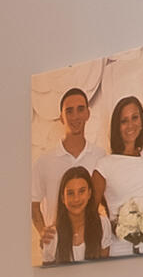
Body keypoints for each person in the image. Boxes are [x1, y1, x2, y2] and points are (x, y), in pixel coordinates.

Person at [30, 86, 101, 252]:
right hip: (57, 252)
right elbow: (33, 205)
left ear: (88, 114)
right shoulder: (44, 161)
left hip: (91, 248)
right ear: (61, 117)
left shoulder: (100, 156)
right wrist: (43, 232)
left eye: (80, 109)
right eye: (69, 111)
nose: (75, 116)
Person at [98, 95, 143, 253]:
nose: (130, 125)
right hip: (119, 243)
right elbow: (90, 211)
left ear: (142, 122)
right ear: (117, 127)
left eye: (135, 118)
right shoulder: (105, 164)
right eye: (124, 121)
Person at [43, 165, 107, 264]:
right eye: (70, 193)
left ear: (89, 193)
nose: (76, 199)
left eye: (82, 191)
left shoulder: (103, 224)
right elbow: (48, 276)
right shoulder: (52, 234)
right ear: (63, 198)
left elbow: (105, 268)